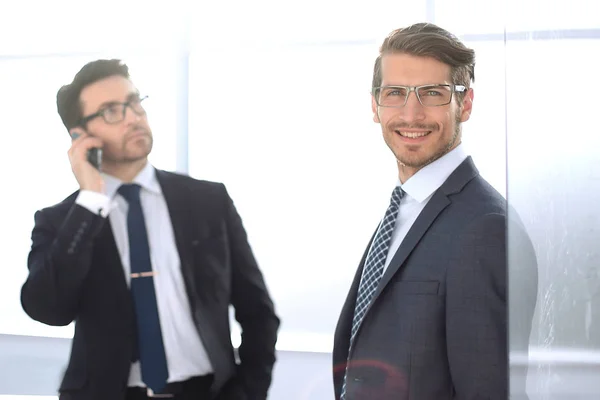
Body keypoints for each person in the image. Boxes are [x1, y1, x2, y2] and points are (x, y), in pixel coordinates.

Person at [20, 59, 280, 400]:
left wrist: (247, 392)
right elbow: (47, 309)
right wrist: (90, 202)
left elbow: (258, 311)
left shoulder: (207, 201)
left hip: (207, 391)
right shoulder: (64, 220)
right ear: (80, 136)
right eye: (112, 111)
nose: (133, 116)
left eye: (134, 101)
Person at [332, 23, 538, 400]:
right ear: (375, 105)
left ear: (467, 103)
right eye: (395, 93)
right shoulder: (406, 207)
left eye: (432, 93)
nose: (412, 115)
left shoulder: (484, 228)